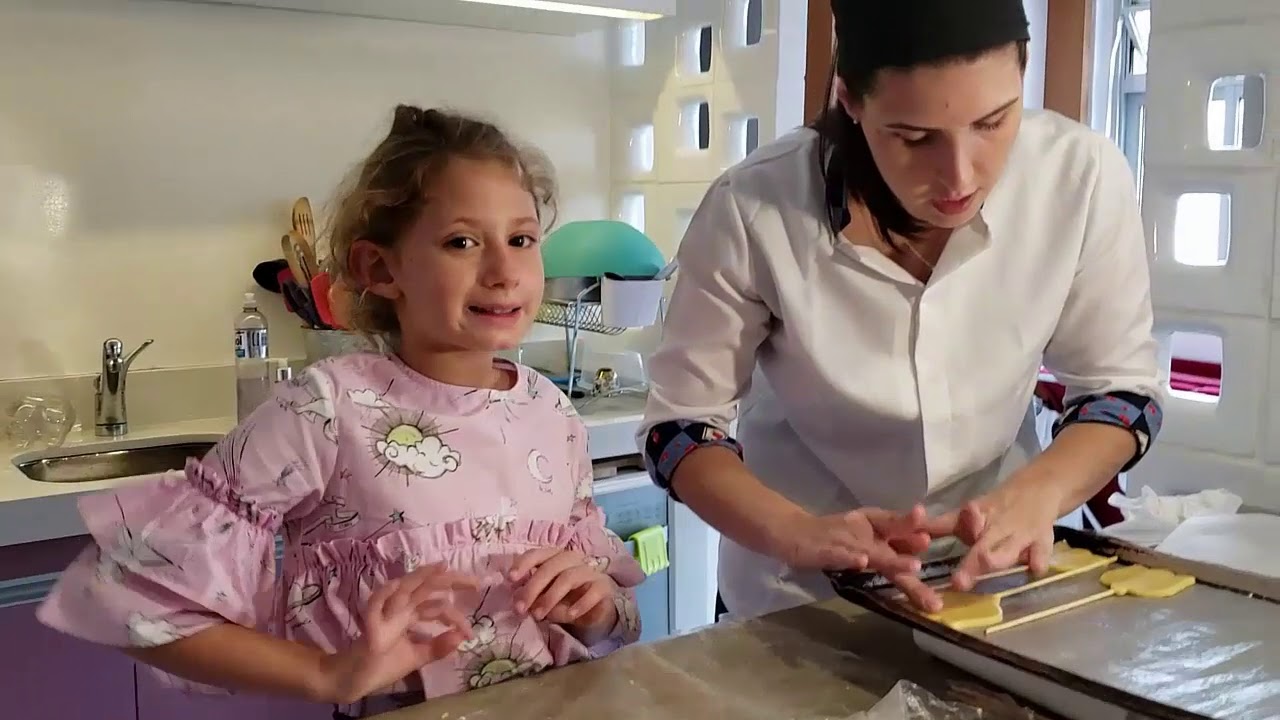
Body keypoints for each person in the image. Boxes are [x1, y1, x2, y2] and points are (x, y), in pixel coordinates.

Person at [37, 105, 645, 718]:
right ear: (380, 269)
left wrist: (596, 608)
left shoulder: (553, 412)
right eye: (462, 242)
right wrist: (327, 673)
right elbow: (131, 599)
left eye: (521, 239)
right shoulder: (328, 409)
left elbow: (616, 621)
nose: (503, 271)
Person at [639, 0, 1165, 622]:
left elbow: (1122, 394)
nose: (960, 175)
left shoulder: (1080, 176)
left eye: (994, 122)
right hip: (801, 594)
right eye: (914, 138)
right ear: (851, 101)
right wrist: (794, 531)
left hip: (1004, 579)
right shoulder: (755, 208)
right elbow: (680, 430)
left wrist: (1036, 495)